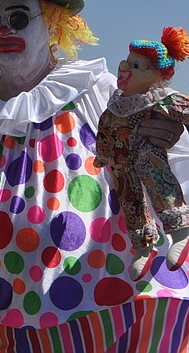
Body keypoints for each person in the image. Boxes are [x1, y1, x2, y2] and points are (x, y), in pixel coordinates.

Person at [0, 0, 189, 351]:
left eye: (18, 17)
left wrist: (165, 133)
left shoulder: (98, 90)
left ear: (52, 23)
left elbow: (172, 155)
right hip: (2, 303)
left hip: (104, 294)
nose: (3, 29)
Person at [95, 26, 189, 279]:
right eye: (127, 61)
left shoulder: (159, 98)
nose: (125, 68)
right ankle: (143, 247)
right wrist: (103, 153)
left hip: (149, 157)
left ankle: (180, 231)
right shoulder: (117, 102)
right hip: (121, 163)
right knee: (130, 201)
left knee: (160, 187)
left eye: (135, 66)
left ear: (152, 74)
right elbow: (106, 126)